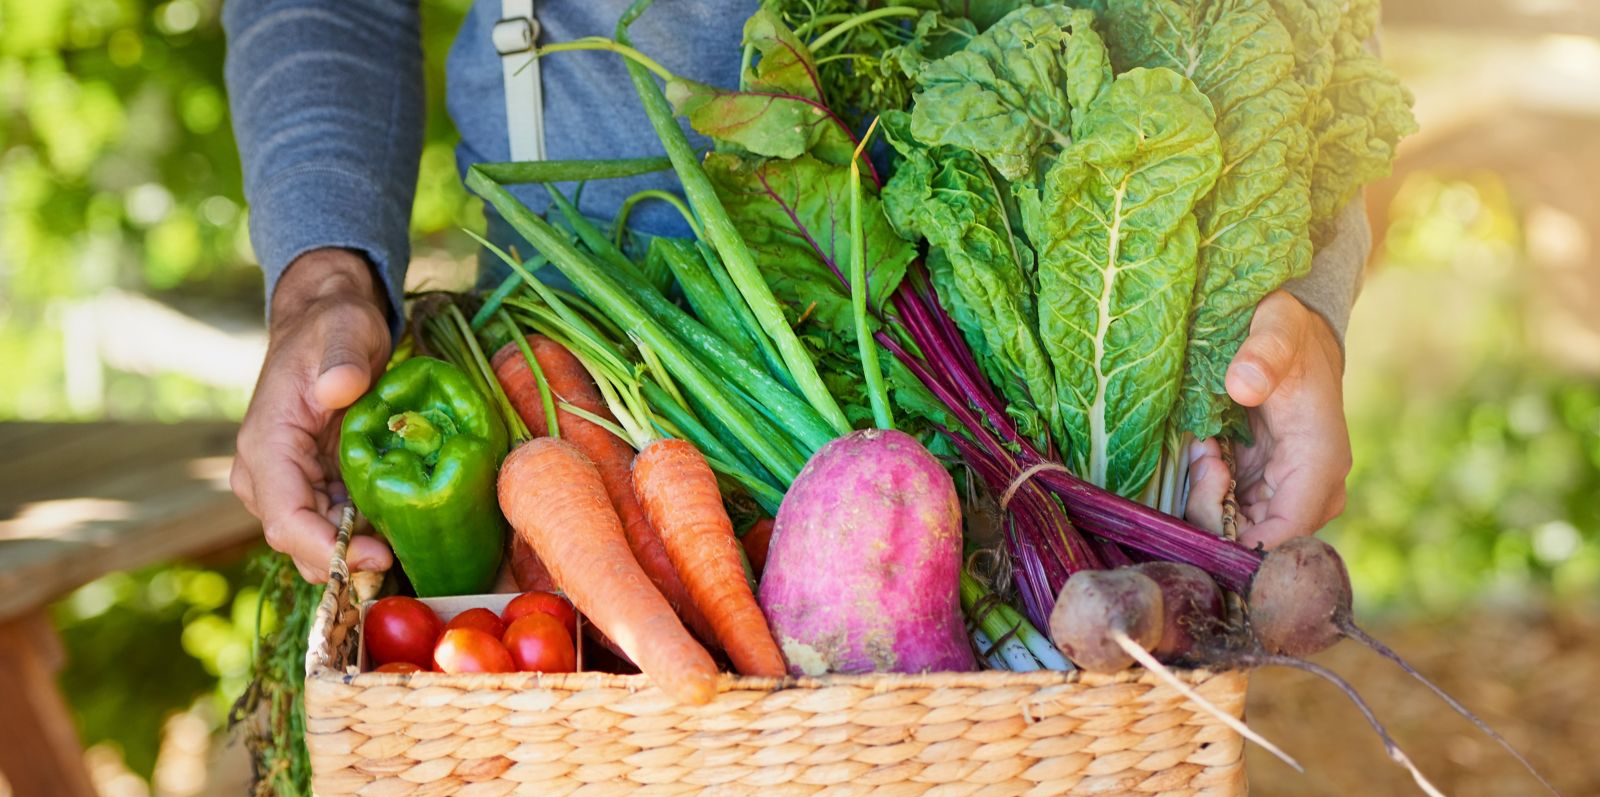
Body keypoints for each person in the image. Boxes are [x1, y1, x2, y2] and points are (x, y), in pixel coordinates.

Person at [223, 0, 1361, 583]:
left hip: (1037, 442)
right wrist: (321, 277)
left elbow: (1302, 32)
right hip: (568, 412)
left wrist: (1302, 298)